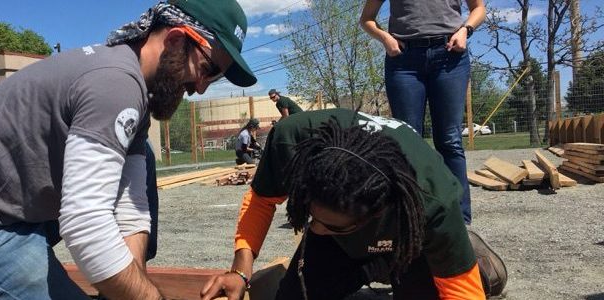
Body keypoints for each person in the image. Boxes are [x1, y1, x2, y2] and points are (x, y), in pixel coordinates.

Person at [0, 1, 256, 299]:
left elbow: (130, 209)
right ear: (177, 38)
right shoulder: (114, 84)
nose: (201, 88)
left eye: (215, 77)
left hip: (8, 220)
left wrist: (130, 289)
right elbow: (86, 224)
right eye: (207, 69)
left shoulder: (131, 90)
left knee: (142, 158)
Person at [201, 109, 505, 300]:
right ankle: (372, 263)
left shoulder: (432, 202)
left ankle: (463, 253)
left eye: (330, 224)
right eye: (311, 215)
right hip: (361, 236)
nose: (314, 228)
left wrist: (453, 272)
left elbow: (462, 294)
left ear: (376, 213)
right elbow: (261, 201)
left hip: (410, 243)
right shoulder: (292, 141)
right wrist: (240, 271)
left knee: (440, 284)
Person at [359, 0, 485, 224]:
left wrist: (466, 30)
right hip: (404, 60)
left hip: (450, 55)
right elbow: (366, 19)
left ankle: (458, 219)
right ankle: (410, 216)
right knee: (407, 141)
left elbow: (479, 8)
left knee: (449, 140)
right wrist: (385, 38)